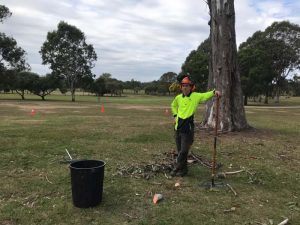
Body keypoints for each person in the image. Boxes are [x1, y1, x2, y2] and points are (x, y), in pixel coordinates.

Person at [170, 75, 221, 176]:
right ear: (181, 87)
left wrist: (214, 92)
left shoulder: (195, 96)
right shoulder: (178, 97)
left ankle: (176, 167)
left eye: (187, 85)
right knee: (180, 150)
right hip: (178, 127)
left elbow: (205, 95)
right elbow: (173, 105)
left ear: (191, 87)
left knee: (184, 151)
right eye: (183, 85)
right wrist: (175, 115)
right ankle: (183, 171)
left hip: (188, 128)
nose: (185, 87)